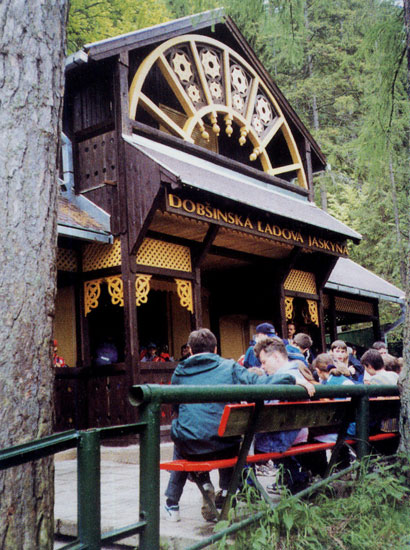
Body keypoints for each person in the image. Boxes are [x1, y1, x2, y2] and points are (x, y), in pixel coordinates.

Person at [163, 328, 305, 522]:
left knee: (181, 439)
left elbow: (176, 408)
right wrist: (291, 378)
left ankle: (173, 503)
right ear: (215, 349)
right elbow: (260, 383)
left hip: (191, 447)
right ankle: (225, 491)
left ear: (190, 349)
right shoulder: (229, 367)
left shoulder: (180, 371)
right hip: (225, 446)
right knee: (226, 433)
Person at [252, 338, 315, 495]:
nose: (262, 367)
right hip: (299, 434)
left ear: (276, 357)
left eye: (264, 362)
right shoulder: (299, 374)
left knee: (239, 447)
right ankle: (296, 479)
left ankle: (250, 491)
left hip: (280, 438)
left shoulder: (281, 380)